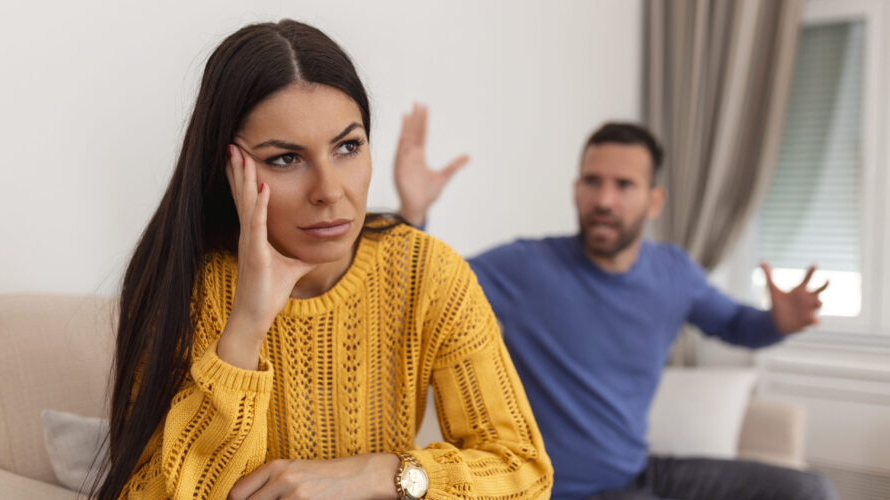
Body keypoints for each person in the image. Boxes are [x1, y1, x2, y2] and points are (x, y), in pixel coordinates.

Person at [96, 20, 553, 500]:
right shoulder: (187, 285)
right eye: (286, 159)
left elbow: (523, 471)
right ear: (230, 166)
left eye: (348, 147)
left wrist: (383, 475)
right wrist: (246, 328)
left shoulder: (427, 272)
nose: (330, 191)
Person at [394, 110, 837, 500]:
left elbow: (737, 325)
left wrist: (778, 321)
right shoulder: (528, 267)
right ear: (576, 190)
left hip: (641, 471)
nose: (604, 199)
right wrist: (412, 216)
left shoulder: (674, 272)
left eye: (624, 185)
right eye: (593, 182)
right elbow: (427, 288)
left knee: (808, 490)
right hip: (566, 490)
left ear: (653, 200)